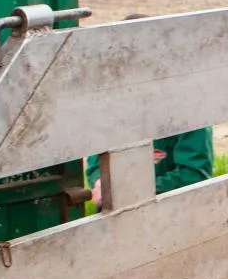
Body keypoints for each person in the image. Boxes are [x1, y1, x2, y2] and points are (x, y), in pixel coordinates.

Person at [86, 15, 216, 205]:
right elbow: (95, 161)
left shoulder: (187, 107)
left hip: (170, 210)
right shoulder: (111, 105)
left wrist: (132, 192)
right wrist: (100, 182)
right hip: (117, 210)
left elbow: (193, 174)